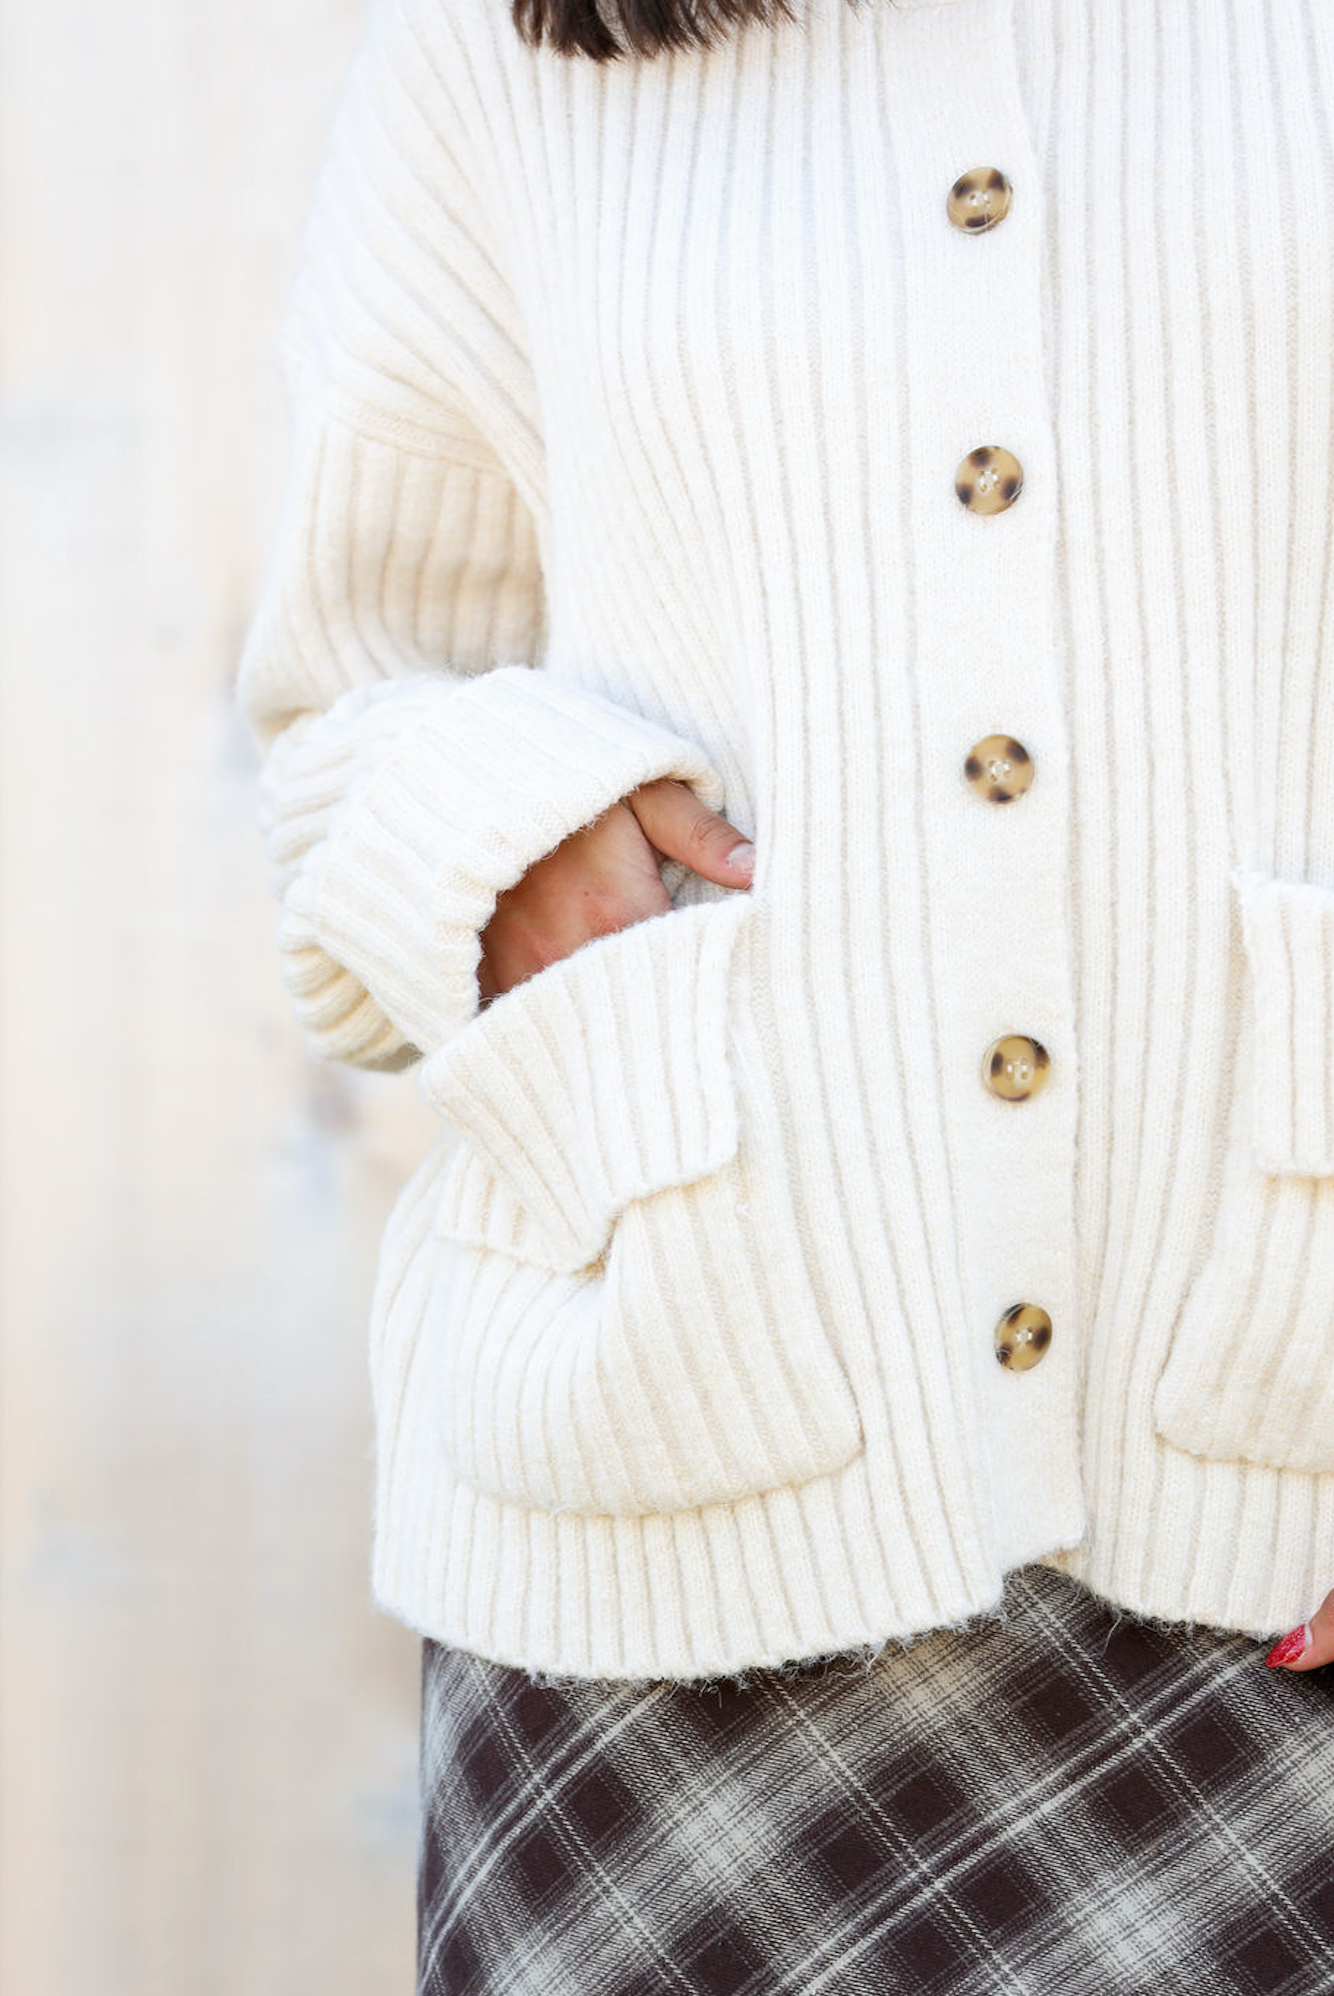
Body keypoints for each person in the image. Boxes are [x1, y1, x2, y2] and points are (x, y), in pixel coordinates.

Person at [235, 0, 1334, 1985]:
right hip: (668, 1483)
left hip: (1283, 1467)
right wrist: (510, 840)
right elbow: (340, 710)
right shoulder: (494, 61)